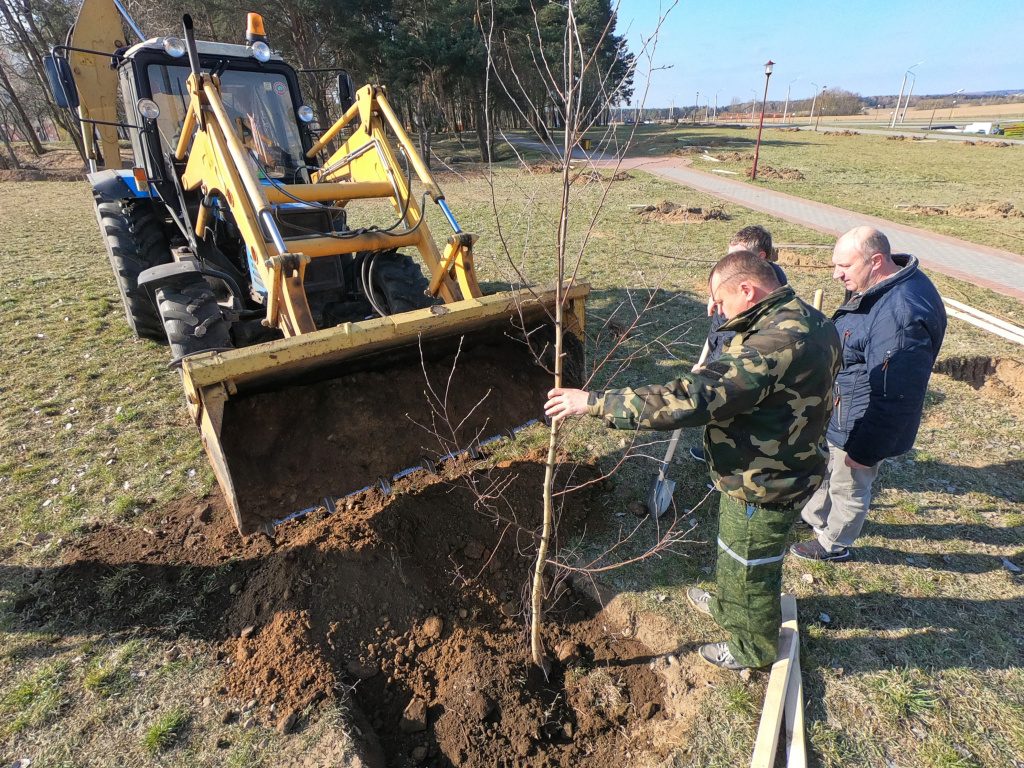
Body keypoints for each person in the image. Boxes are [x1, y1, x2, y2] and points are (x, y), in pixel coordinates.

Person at [545, 251, 840, 671]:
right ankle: (727, 604)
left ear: (747, 289)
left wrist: (593, 402)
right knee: (733, 551)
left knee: (750, 567)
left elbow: (689, 399)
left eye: (720, 302)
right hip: (767, 464)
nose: (715, 311)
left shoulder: (773, 344)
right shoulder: (807, 318)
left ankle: (752, 648)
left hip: (766, 478)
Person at [790, 226, 947, 562]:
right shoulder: (878, 288)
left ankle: (835, 542)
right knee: (827, 470)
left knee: (850, 483)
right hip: (842, 407)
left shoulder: (901, 314)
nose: (836, 275)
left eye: (844, 267)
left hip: (859, 422)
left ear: (876, 261)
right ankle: (816, 520)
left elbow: (896, 397)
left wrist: (865, 450)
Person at [690, 225, 788, 462]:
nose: (730, 262)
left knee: (730, 413)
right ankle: (713, 451)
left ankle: (728, 462)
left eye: (737, 256)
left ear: (760, 257)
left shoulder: (767, 291)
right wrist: (703, 361)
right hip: (718, 355)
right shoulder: (733, 281)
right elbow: (716, 331)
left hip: (736, 364)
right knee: (713, 412)